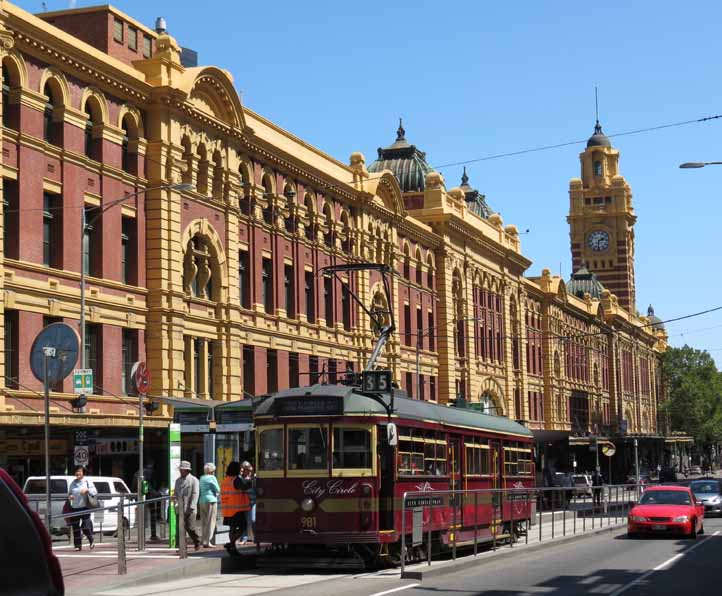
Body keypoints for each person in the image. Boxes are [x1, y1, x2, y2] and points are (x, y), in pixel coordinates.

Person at [221, 461, 251, 556]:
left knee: (232, 529)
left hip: (227, 509)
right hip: (237, 509)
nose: (240, 470)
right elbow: (244, 487)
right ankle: (231, 544)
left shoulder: (225, 480)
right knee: (243, 527)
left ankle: (233, 549)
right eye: (239, 468)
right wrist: (251, 480)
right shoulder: (236, 479)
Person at [68, 466, 97, 551]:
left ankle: (91, 540)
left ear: (83, 473)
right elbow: (69, 493)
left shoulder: (87, 481)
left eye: (80, 471)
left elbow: (95, 492)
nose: (78, 473)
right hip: (75, 507)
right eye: (76, 472)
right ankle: (77, 545)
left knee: (85, 526)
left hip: (85, 507)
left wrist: (87, 490)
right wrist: (70, 496)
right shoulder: (72, 483)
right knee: (75, 527)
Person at [174, 460, 201, 551]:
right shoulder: (178, 481)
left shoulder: (194, 480)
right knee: (180, 528)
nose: (181, 471)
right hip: (180, 508)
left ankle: (197, 540)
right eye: (180, 469)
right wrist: (175, 503)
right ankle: (182, 546)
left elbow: (195, 494)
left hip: (190, 508)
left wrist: (192, 506)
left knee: (190, 527)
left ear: (187, 470)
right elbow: (175, 494)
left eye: (183, 469)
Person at [199, 462, 220, 548]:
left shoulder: (201, 478)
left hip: (202, 500)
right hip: (211, 500)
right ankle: (208, 541)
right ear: (212, 471)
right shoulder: (212, 477)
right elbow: (217, 489)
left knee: (204, 521)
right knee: (211, 521)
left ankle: (203, 540)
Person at [240, 461, 256, 544]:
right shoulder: (240, 479)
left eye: (250, 470)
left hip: (253, 502)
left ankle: (255, 537)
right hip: (243, 502)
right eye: (247, 470)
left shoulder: (254, 479)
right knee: (244, 521)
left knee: (253, 520)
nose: (249, 472)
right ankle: (244, 538)